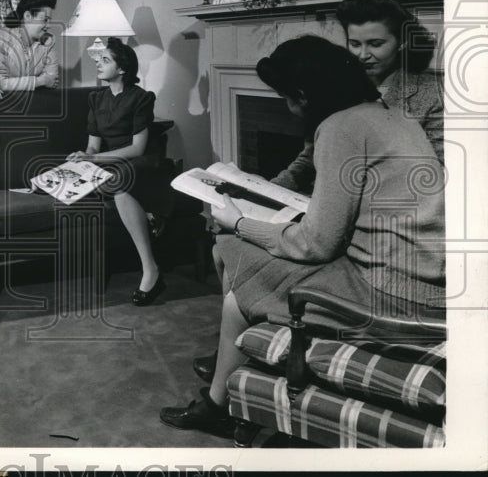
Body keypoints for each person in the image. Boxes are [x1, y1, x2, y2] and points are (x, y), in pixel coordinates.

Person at [160, 35, 445, 437]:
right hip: (423, 274)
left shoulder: (340, 127)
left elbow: (317, 244)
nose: (286, 107)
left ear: (304, 94)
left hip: (392, 289)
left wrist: (239, 221)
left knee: (234, 280)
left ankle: (219, 407)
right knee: (238, 252)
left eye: (286, 97)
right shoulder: (386, 113)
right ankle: (233, 363)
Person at [272, 0, 443, 193]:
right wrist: (270, 189)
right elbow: (312, 155)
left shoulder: (432, 93)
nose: (363, 55)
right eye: (355, 44)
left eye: (375, 44)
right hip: (329, 199)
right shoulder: (337, 85)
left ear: (401, 43)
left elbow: (440, 171)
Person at [66, 37, 167, 306]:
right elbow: (92, 145)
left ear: (122, 69)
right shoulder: (96, 98)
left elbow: (138, 148)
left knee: (119, 184)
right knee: (88, 179)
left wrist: (96, 159)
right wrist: (82, 157)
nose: (98, 64)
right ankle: (148, 215)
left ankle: (151, 270)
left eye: (105, 60)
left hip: (141, 162)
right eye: (99, 59)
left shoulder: (140, 98)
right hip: (110, 162)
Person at [0, 0, 59, 91]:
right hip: (1, 101)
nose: (49, 25)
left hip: (35, 102)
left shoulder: (49, 41)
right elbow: (3, 84)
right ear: (28, 16)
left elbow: (52, 80)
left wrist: (46, 81)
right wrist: (42, 81)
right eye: (45, 20)